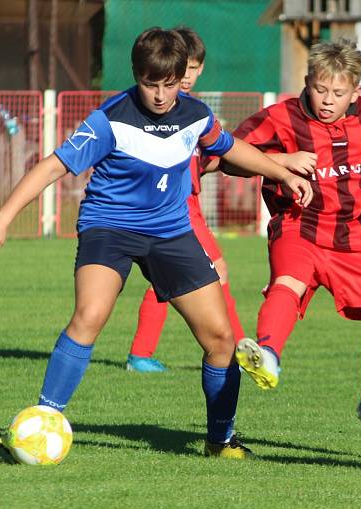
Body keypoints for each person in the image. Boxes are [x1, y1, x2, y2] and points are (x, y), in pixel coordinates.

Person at [0, 27, 313, 459]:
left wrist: (282, 173)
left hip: (171, 231)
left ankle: (221, 440)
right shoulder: (110, 118)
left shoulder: (196, 114)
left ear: (180, 78)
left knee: (221, 337)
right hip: (109, 227)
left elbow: (229, 149)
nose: (159, 94)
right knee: (89, 315)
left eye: (168, 84)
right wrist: (2, 219)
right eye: (150, 83)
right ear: (137, 75)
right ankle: (43, 419)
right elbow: (52, 166)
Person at [225, 39, 361, 455]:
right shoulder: (281, 117)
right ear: (307, 82)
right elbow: (229, 154)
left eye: (338, 93)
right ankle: (268, 354)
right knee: (287, 283)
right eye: (320, 90)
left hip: (359, 235)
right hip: (299, 226)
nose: (327, 101)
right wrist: (284, 162)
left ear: (356, 92)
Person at [125, 27, 245, 373]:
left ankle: (141, 353)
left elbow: (208, 154)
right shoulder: (161, 108)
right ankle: (238, 349)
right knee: (216, 270)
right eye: (183, 69)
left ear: (201, 69)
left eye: (193, 69)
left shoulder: (194, 111)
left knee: (167, 278)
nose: (187, 76)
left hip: (187, 203)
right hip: (175, 207)